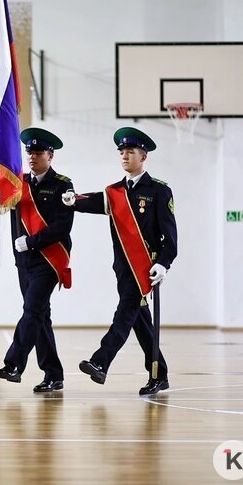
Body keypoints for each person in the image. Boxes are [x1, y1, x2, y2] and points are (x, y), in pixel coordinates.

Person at [63, 126, 178, 396]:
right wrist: (73, 200)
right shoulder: (115, 192)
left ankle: (100, 362)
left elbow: (170, 237)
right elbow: (92, 201)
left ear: (144, 157)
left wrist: (163, 263)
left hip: (144, 269)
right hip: (123, 268)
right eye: (122, 152)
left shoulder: (159, 191)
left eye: (130, 152)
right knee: (140, 323)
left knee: (125, 314)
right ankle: (159, 374)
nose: (125, 156)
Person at [0, 128, 73, 393]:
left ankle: (14, 363)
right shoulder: (18, 183)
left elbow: (63, 226)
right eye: (29, 151)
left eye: (38, 152)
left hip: (48, 260)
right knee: (40, 315)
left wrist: (32, 241)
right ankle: (53, 374)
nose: (32, 156)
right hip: (23, 262)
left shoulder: (62, 184)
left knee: (32, 311)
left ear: (50, 156)